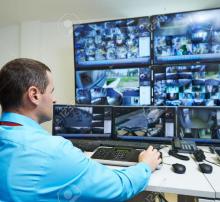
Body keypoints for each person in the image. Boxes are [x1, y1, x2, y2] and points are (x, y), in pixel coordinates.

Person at [0, 58, 161, 202]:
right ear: (34, 95)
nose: (54, 99)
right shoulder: (53, 151)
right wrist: (146, 165)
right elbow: (118, 187)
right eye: (51, 91)